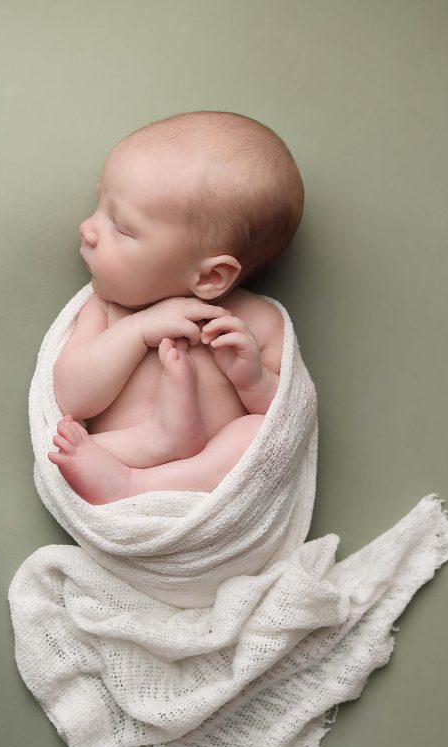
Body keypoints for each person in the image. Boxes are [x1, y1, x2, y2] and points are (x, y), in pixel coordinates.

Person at [48, 110, 304, 504]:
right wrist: (138, 329)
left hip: (194, 490)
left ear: (210, 277)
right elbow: (72, 398)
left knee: (254, 437)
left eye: (122, 226)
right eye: (99, 203)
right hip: (118, 459)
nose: (88, 228)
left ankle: (139, 485)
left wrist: (253, 380)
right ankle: (151, 443)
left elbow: (285, 421)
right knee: (68, 444)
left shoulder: (253, 324)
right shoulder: (107, 309)